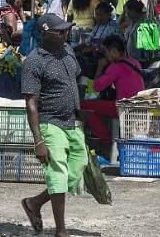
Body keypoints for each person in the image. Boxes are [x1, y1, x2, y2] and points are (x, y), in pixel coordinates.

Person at [20, 14, 86, 237]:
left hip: (72, 121)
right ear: (45, 34)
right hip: (50, 122)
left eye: (66, 30)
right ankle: (61, 230)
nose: (65, 34)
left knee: (76, 171)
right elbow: (31, 103)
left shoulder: (68, 50)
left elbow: (76, 78)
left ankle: (34, 203)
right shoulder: (34, 61)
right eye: (60, 32)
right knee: (57, 175)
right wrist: (38, 140)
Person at [80, 34, 144, 150]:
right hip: (139, 105)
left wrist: (100, 67)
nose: (105, 56)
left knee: (83, 106)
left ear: (114, 51)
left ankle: (105, 139)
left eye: (106, 52)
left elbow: (96, 87)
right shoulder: (135, 63)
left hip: (123, 107)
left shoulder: (116, 67)